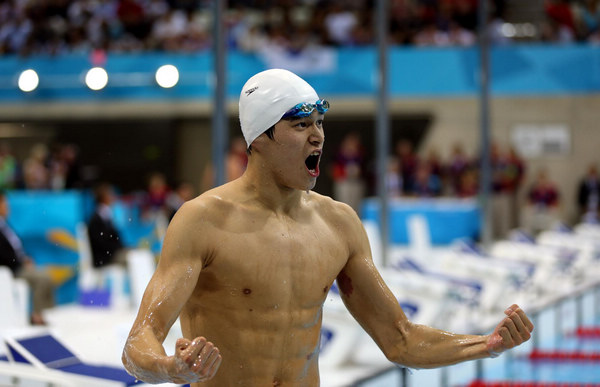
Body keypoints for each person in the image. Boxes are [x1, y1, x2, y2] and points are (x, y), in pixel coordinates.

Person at [122, 69, 533, 386]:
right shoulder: (203, 221)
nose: (318, 135)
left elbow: (401, 339)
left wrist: (486, 344)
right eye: (301, 125)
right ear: (259, 139)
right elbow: (138, 342)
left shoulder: (338, 224)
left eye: (320, 123)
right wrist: (171, 368)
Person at [0, 190, 55, 325]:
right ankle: (36, 316)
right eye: (4, 203)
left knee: (47, 275)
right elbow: (3, 255)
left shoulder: (6, 225)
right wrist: (21, 262)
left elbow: (17, 248)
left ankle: (44, 313)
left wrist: (26, 258)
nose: (7, 206)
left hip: (20, 264)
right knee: (43, 278)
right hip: (11, 270)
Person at [87, 183, 127, 268]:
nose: (113, 197)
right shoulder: (96, 219)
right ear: (104, 198)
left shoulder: (107, 215)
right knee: (132, 259)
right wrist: (118, 250)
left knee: (137, 255)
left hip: (111, 254)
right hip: (104, 259)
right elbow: (101, 242)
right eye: (110, 194)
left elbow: (114, 238)